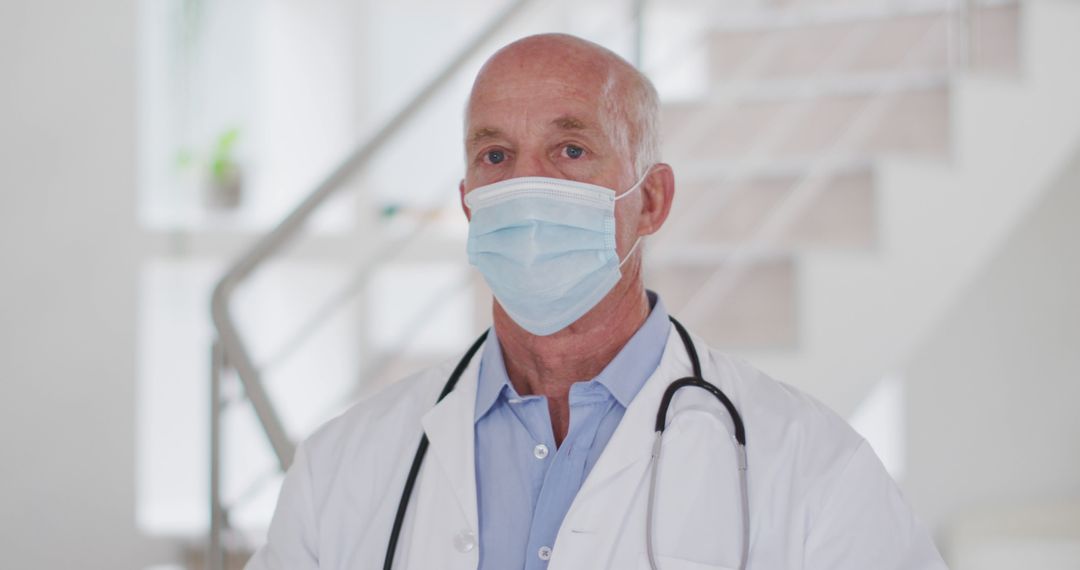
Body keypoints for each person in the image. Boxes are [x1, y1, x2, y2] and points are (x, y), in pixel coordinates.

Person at [245, 33, 947, 570]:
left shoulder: (812, 470)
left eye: (571, 150)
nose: (525, 183)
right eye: (495, 156)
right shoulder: (341, 469)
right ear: (468, 205)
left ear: (652, 200)